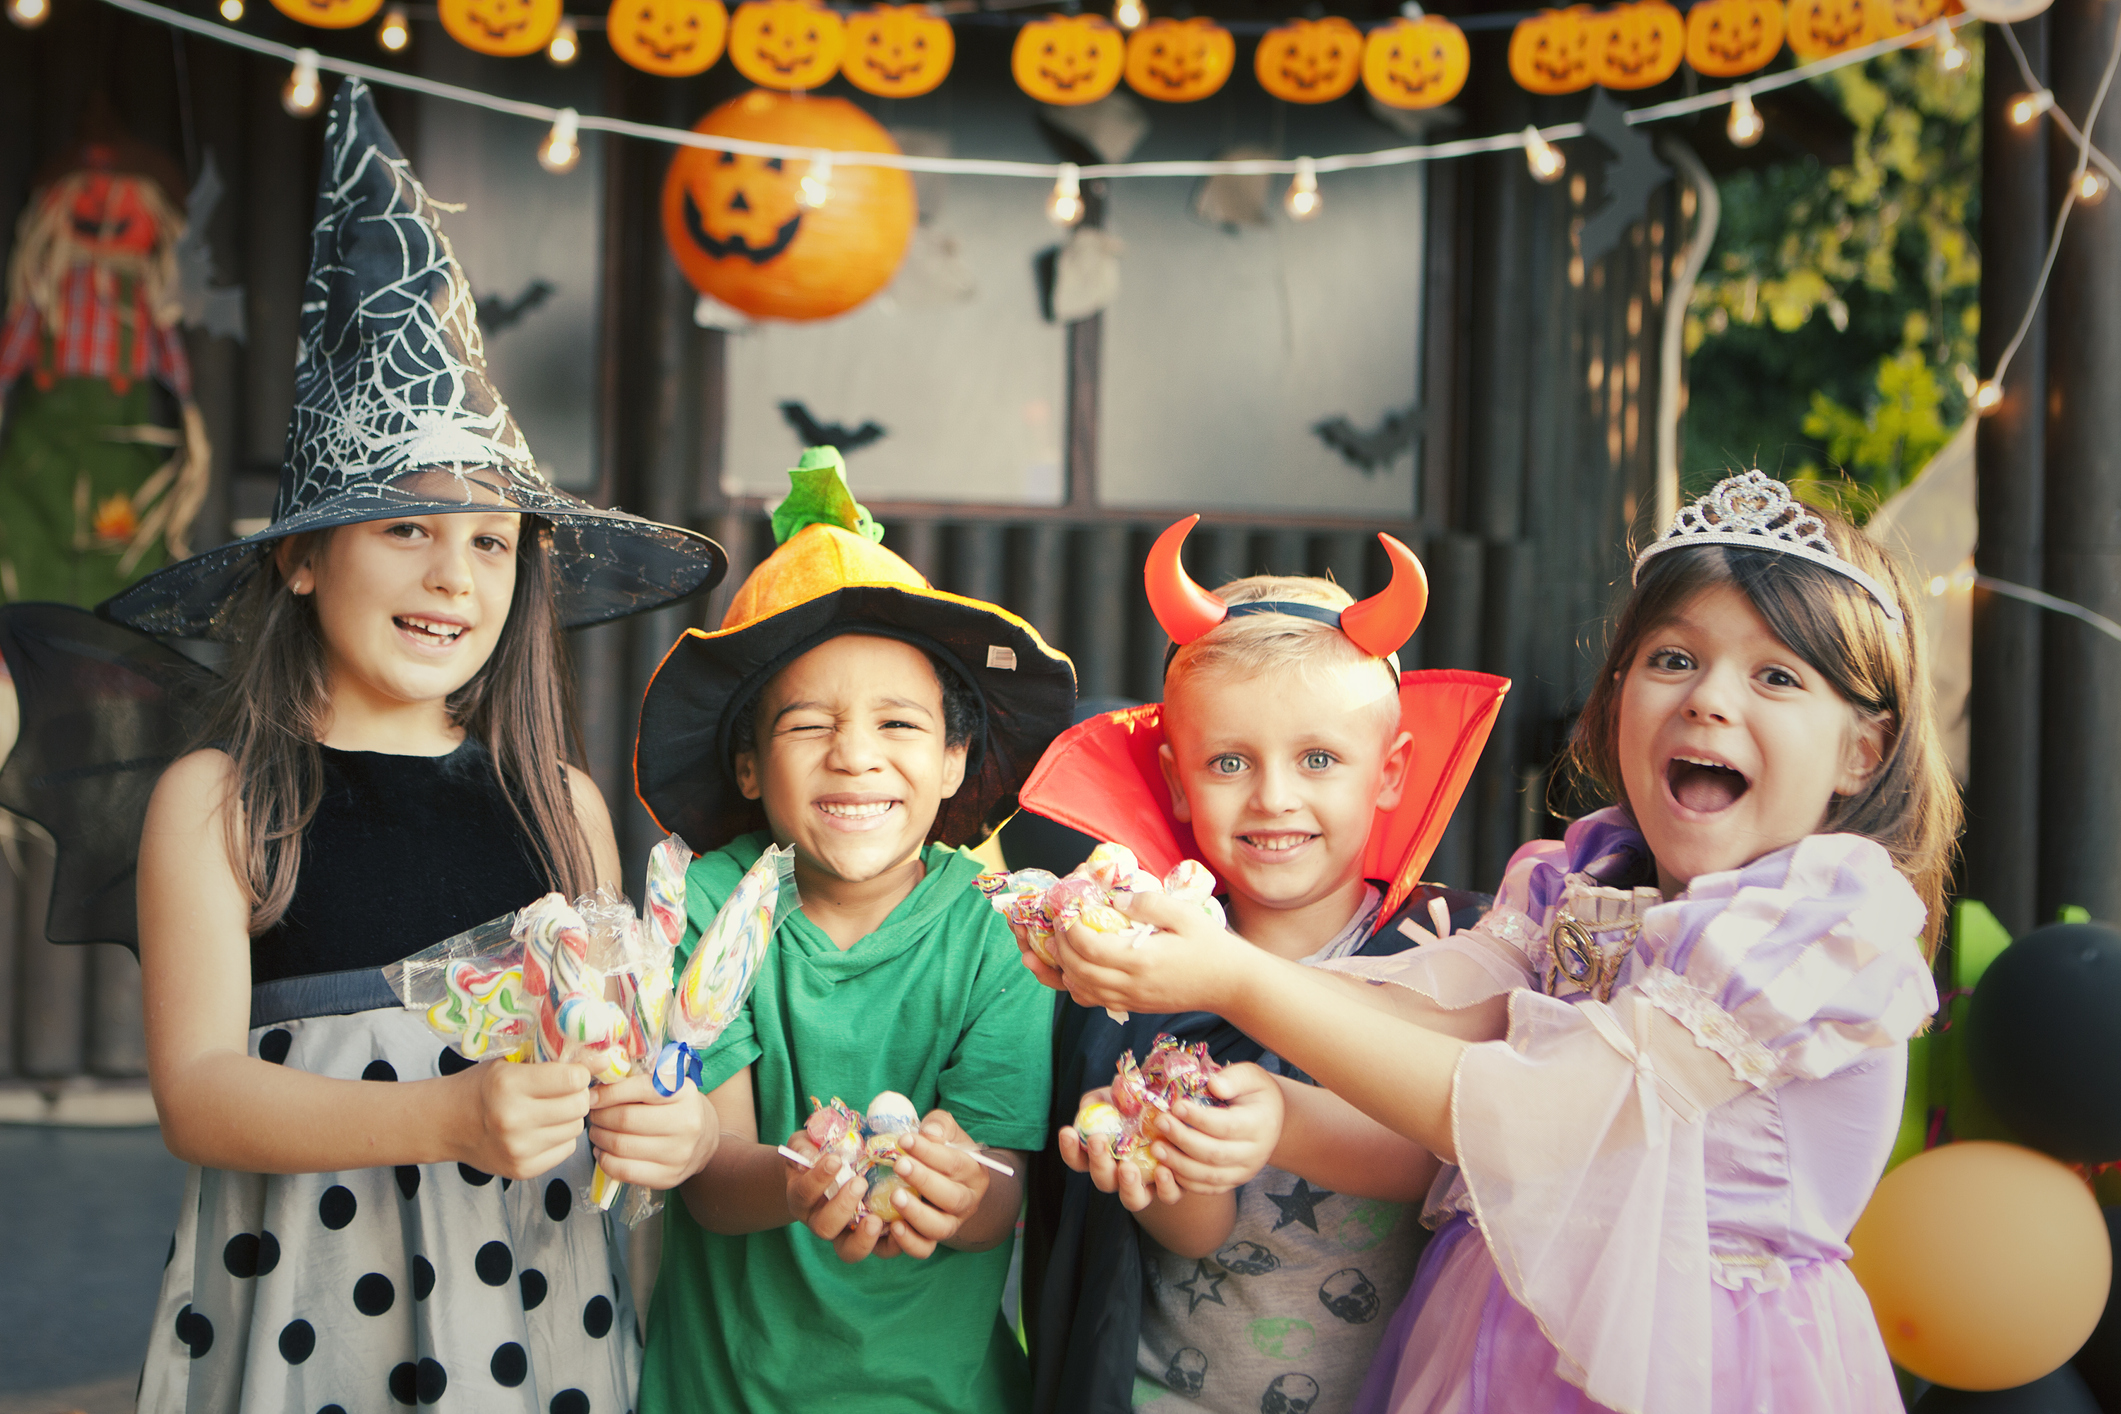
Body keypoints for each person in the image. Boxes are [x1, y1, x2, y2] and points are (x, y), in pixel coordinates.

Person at [1052, 471, 1958, 1414]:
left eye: (1774, 675)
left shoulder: (1816, 930)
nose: (1708, 702)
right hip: (1488, 1342)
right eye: (1672, 660)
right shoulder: (1583, 881)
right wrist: (1235, 1060)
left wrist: (1233, 978)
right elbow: (1427, 1011)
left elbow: (1541, 1126)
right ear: (1616, 696)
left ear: (1862, 749)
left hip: (1700, 1367)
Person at [109, 81, 728, 1413]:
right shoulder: (219, 802)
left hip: (533, 1312)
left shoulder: (559, 799)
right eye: (404, 526)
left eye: (493, 541)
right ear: (298, 564)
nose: (454, 571)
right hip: (304, 1320)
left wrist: (659, 1125)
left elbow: (608, 1056)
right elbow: (202, 1095)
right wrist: (443, 1118)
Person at [1013, 518, 1510, 1414]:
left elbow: (1468, 1143)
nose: (1273, 797)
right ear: (1174, 779)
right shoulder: (1135, 962)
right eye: (1229, 761)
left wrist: (1278, 1117)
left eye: (1319, 758)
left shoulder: (1458, 950)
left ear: (1390, 770)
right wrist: (1149, 1154)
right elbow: (1193, 1235)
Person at [630, 447, 1078, 1414]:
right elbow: (709, 1175)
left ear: (958, 761)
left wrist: (957, 1188)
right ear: (747, 766)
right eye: (806, 727)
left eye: (902, 727)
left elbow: (1003, 1196)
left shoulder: (1000, 931)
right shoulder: (709, 903)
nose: (855, 757)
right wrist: (798, 1181)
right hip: (721, 1393)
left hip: (937, 1396)